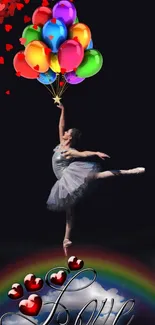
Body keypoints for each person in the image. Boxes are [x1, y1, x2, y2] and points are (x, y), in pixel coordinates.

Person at [47, 103, 145, 256]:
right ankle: (66, 241)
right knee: (69, 211)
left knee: (98, 176)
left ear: (70, 137)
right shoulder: (61, 142)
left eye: (67, 132)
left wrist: (96, 152)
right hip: (63, 181)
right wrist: (64, 109)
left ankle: (130, 171)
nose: (64, 132)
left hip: (69, 176)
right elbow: (61, 125)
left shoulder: (70, 151)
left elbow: (84, 154)